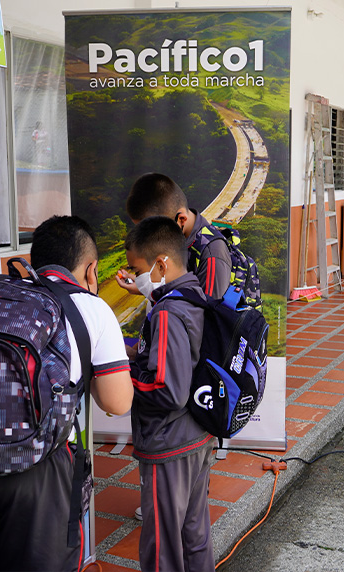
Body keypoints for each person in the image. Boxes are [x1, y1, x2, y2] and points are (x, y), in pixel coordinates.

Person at [0, 215, 134, 572]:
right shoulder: (93, 309)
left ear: (34, 260)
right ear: (92, 269)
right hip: (36, 469)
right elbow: (117, 402)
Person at [125, 216, 216, 572]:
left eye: (137, 269)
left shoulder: (166, 313)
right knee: (195, 535)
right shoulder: (195, 294)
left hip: (169, 443)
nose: (135, 278)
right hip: (196, 434)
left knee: (161, 545)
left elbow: (167, 389)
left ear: (161, 263)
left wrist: (122, 374)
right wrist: (136, 352)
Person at [118, 172, 231, 299]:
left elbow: (207, 314)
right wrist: (145, 283)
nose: (147, 238)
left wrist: (151, 292)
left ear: (181, 219)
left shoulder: (212, 254)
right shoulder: (180, 241)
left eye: (153, 230)